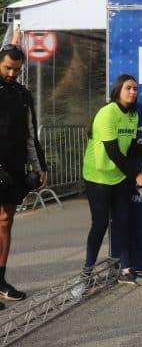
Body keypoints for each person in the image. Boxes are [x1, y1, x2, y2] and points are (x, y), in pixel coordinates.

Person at [82, 74, 142, 286]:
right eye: (128, 88)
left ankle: (125, 270)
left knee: (123, 222)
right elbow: (114, 152)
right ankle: (86, 274)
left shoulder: (133, 115)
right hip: (98, 176)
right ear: (118, 90)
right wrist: (137, 175)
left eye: (135, 89)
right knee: (100, 224)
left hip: (119, 176)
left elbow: (128, 147)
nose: (133, 92)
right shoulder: (107, 113)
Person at [0, 39, 46, 305]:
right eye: (7, 68)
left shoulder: (22, 94)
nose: (12, 73)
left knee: (6, 221)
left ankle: (1, 281)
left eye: (16, 69)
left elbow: (31, 134)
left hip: (14, 167)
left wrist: (40, 167)